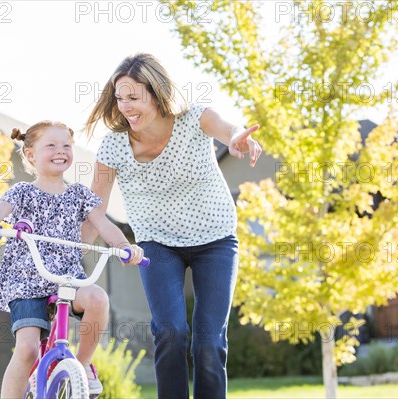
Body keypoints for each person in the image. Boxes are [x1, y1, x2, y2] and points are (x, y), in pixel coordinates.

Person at [83, 53, 262, 399]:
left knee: (209, 343)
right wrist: (69, 256)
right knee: (170, 331)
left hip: (215, 239)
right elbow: (95, 210)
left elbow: (227, 129)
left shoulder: (194, 118)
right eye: (120, 98)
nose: (125, 107)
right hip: (157, 243)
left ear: (156, 92)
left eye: (133, 97)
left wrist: (238, 138)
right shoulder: (114, 144)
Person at [0, 120, 143, 399]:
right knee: (28, 349)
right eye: (51, 145)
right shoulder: (22, 192)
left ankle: (84, 364)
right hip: (26, 281)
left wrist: (125, 246)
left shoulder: (79, 194)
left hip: (67, 277)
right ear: (30, 155)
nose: (60, 150)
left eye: (66, 145)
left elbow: (102, 223)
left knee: (98, 299)